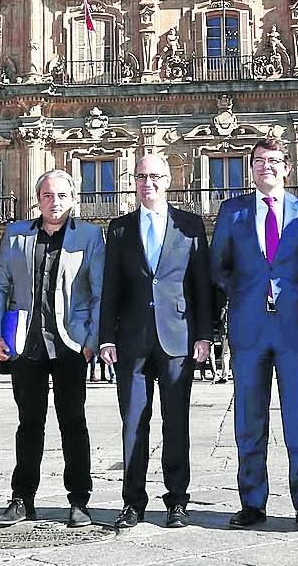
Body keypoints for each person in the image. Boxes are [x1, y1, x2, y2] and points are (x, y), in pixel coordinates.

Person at [210, 137, 298, 531]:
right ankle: (252, 501)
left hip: (294, 327)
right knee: (249, 417)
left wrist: (290, 291)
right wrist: (248, 293)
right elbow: (219, 267)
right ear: (251, 167)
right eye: (259, 161)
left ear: (287, 168)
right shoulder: (232, 211)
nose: (267, 167)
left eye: (274, 161)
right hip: (249, 326)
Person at [100, 154, 214, 529]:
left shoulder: (191, 226)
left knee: (176, 423)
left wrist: (204, 334)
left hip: (177, 337)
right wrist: (106, 338)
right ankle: (132, 502)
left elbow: (202, 286)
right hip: (132, 339)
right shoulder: (118, 229)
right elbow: (110, 289)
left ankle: (177, 500)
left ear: (168, 179)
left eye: (154, 176)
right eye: (140, 176)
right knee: (133, 422)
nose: (147, 182)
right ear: (134, 181)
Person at [0, 169, 105, 529]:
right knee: (29, 424)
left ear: (73, 199)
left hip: (70, 345)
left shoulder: (90, 236)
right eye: (48, 196)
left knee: (74, 423)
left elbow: (100, 292)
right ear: (38, 199)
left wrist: (91, 342)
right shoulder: (17, 235)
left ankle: (79, 501)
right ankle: (22, 498)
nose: (55, 203)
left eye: (62, 196)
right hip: (28, 345)